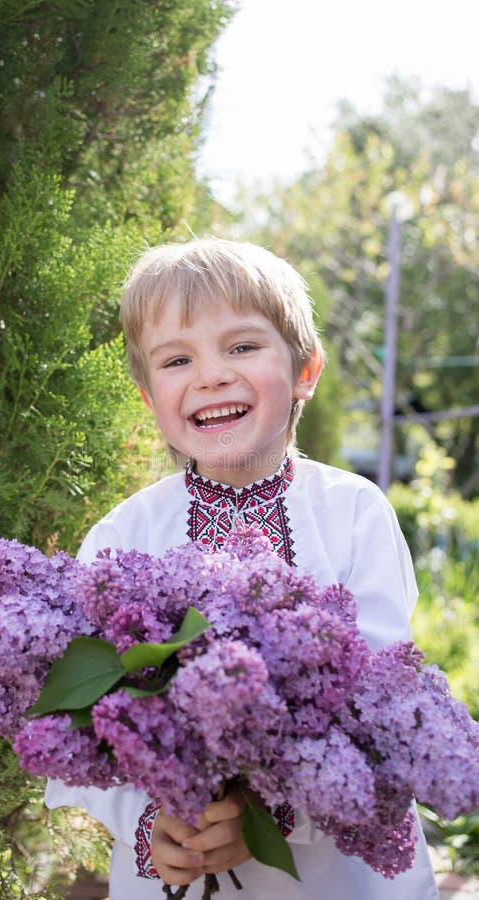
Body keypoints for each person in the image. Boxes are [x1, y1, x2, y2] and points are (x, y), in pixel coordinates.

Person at [45, 238, 439, 899]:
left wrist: (270, 812)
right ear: (148, 398)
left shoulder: (352, 513)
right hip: (175, 871)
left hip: (337, 879)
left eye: (241, 347)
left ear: (305, 370)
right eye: (176, 359)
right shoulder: (121, 536)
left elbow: (383, 699)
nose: (210, 376)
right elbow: (71, 727)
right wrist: (152, 826)